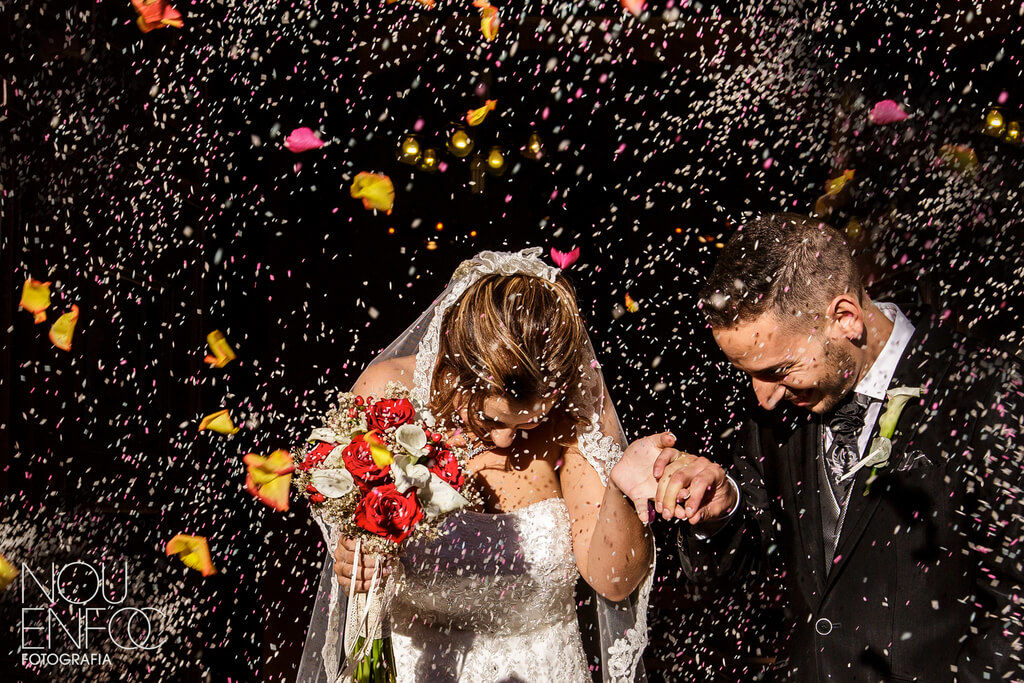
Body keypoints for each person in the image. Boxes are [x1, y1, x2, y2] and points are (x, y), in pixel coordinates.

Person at [652, 213, 1024, 680]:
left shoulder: (983, 395)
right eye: (748, 373)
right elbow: (739, 584)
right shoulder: (775, 416)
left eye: (779, 370)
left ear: (845, 319)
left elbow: (1014, 611)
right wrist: (723, 511)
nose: (762, 396)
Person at [298, 248, 664, 683]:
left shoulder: (571, 422)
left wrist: (622, 489)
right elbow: (346, 523)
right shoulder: (389, 396)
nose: (506, 439)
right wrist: (353, 556)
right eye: (491, 418)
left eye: (531, 421)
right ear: (452, 365)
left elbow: (614, 581)